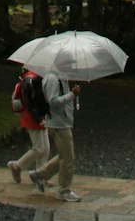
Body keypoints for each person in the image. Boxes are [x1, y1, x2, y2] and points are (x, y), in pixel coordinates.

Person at [30, 71, 82, 202]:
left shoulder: (61, 77)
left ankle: (40, 175)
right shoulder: (53, 78)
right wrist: (72, 94)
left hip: (63, 123)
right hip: (59, 124)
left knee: (65, 155)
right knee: (68, 156)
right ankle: (64, 190)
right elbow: (53, 101)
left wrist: (72, 94)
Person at [6, 67, 50, 184]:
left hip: (38, 116)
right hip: (33, 118)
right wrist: (39, 118)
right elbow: (30, 103)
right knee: (39, 148)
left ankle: (41, 175)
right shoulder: (31, 79)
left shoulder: (33, 78)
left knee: (45, 148)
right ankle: (17, 166)